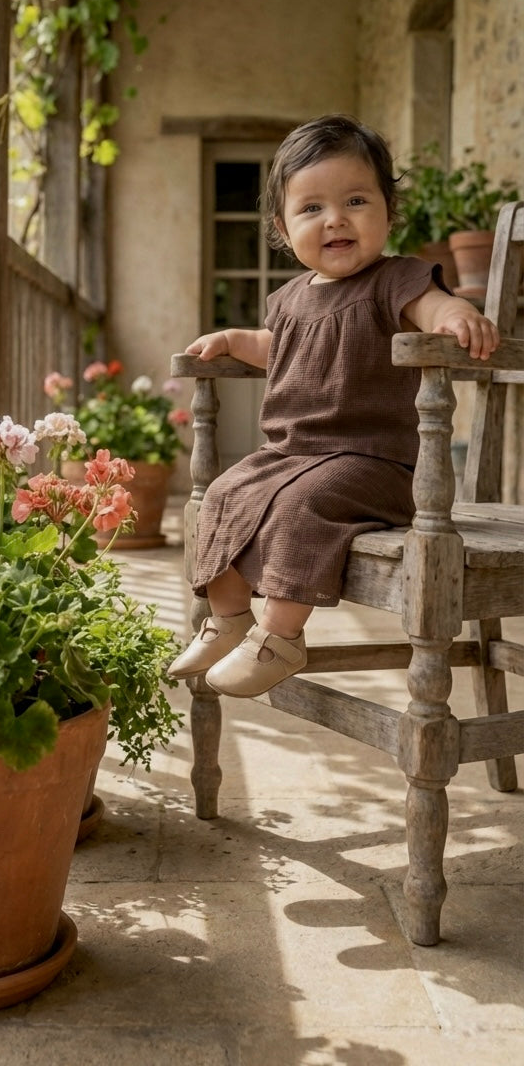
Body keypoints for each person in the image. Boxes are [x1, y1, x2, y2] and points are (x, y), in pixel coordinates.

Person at [168, 113, 500, 699]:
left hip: (378, 467)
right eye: (312, 208)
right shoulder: (289, 298)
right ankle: (230, 621)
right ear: (282, 226)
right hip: (295, 453)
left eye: (355, 200)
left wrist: (455, 315)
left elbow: (432, 310)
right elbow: (284, 349)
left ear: (388, 212)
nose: (336, 219)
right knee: (222, 493)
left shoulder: (397, 280)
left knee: (301, 507)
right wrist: (233, 341)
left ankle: (281, 635)